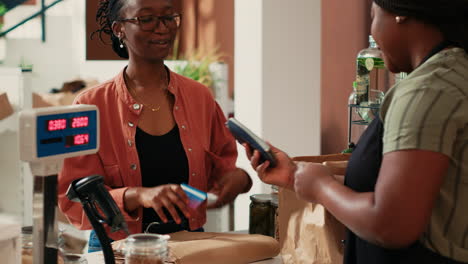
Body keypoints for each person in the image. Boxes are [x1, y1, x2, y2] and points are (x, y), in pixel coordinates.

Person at [245, 0, 468, 263]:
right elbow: (414, 193)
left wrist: (322, 188)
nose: (373, 33)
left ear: (399, 15)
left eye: (373, 16)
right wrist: (295, 176)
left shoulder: (425, 92)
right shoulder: (453, 74)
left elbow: (391, 224)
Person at [58, 0, 251, 252]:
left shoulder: (199, 97)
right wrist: (137, 196)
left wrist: (239, 179)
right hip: (117, 248)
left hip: (190, 244)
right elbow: (74, 196)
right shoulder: (89, 106)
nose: (162, 28)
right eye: (146, 19)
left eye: (169, 17)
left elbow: (222, 172)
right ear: (119, 29)